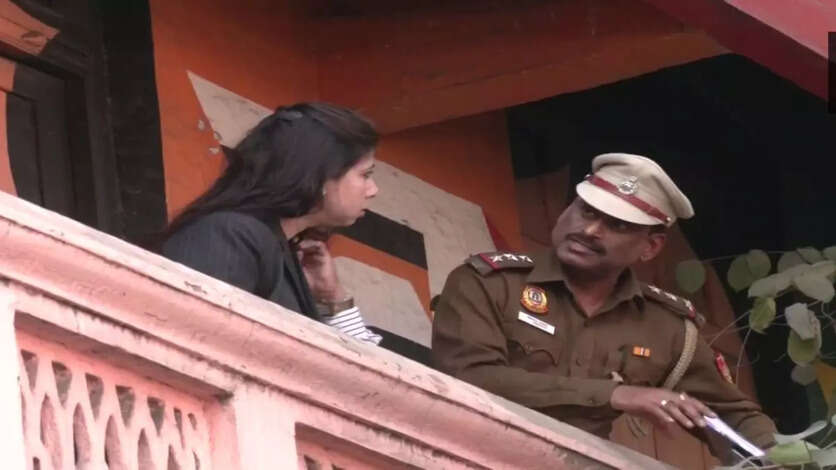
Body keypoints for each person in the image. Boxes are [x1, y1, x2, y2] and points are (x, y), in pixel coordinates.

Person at [431, 153, 777, 457]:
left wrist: (782, 456)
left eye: (617, 225)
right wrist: (615, 395)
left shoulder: (666, 327)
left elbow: (732, 417)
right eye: (586, 211)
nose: (590, 230)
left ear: (651, 247)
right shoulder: (491, 282)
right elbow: (469, 376)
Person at [163, 102, 381, 345]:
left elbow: (357, 365)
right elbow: (198, 340)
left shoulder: (280, 250)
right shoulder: (231, 235)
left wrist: (333, 299)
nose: (373, 190)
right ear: (319, 176)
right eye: (365, 175)